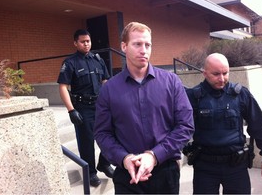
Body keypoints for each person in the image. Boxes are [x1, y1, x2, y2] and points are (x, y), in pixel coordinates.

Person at [94, 22, 195, 194]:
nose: (144, 50)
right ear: (124, 46)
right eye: (137, 44)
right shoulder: (109, 89)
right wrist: (124, 158)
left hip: (165, 172)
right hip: (128, 175)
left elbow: (185, 125)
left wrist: (154, 156)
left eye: (147, 45)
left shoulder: (171, 82)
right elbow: (102, 133)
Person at [185, 53, 262, 194]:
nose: (222, 79)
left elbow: (258, 126)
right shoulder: (193, 97)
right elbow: (180, 127)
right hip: (205, 167)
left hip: (236, 167)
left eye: (225, 73)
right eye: (216, 74)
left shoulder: (241, 94)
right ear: (205, 73)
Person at [57, 29, 114, 187]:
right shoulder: (70, 63)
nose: (86, 44)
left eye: (88, 41)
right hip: (82, 107)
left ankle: (104, 163)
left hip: (100, 106)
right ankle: (90, 173)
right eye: (82, 41)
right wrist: (71, 110)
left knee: (111, 134)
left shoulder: (98, 60)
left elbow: (105, 82)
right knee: (86, 142)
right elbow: (63, 87)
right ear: (75, 43)